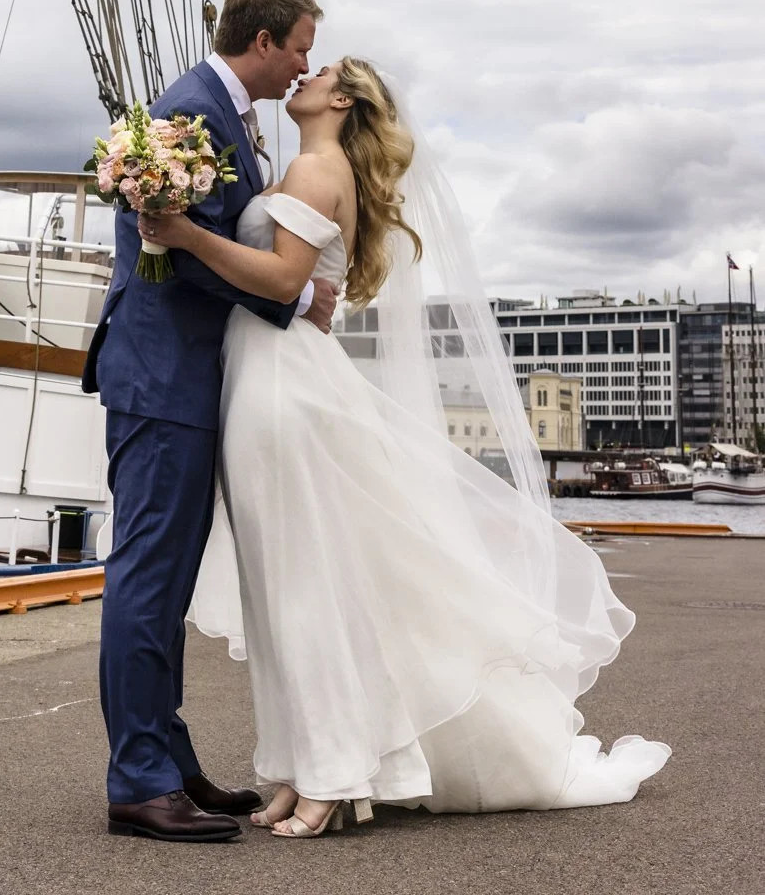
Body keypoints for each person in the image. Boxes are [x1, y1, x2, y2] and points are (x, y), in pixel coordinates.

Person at [153, 57, 671, 834]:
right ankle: (299, 768)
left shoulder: (315, 168)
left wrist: (185, 235)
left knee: (302, 592)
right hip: (268, 376)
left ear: (343, 100)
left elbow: (282, 280)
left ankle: (332, 774)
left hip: (282, 385)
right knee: (283, 589)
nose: (306, 76)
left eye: (323, 72)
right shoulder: (307, 167)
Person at [81, 0, 340, 843]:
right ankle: (139, 781)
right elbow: (182, 250)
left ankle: (169, 761)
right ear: (263, 42)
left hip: (182, 377)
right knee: (148, 577)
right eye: (300, 46)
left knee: (167, 580)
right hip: (163, 376)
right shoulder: (191, 114)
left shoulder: (217, 114)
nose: (304, 62)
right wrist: (296, 300)